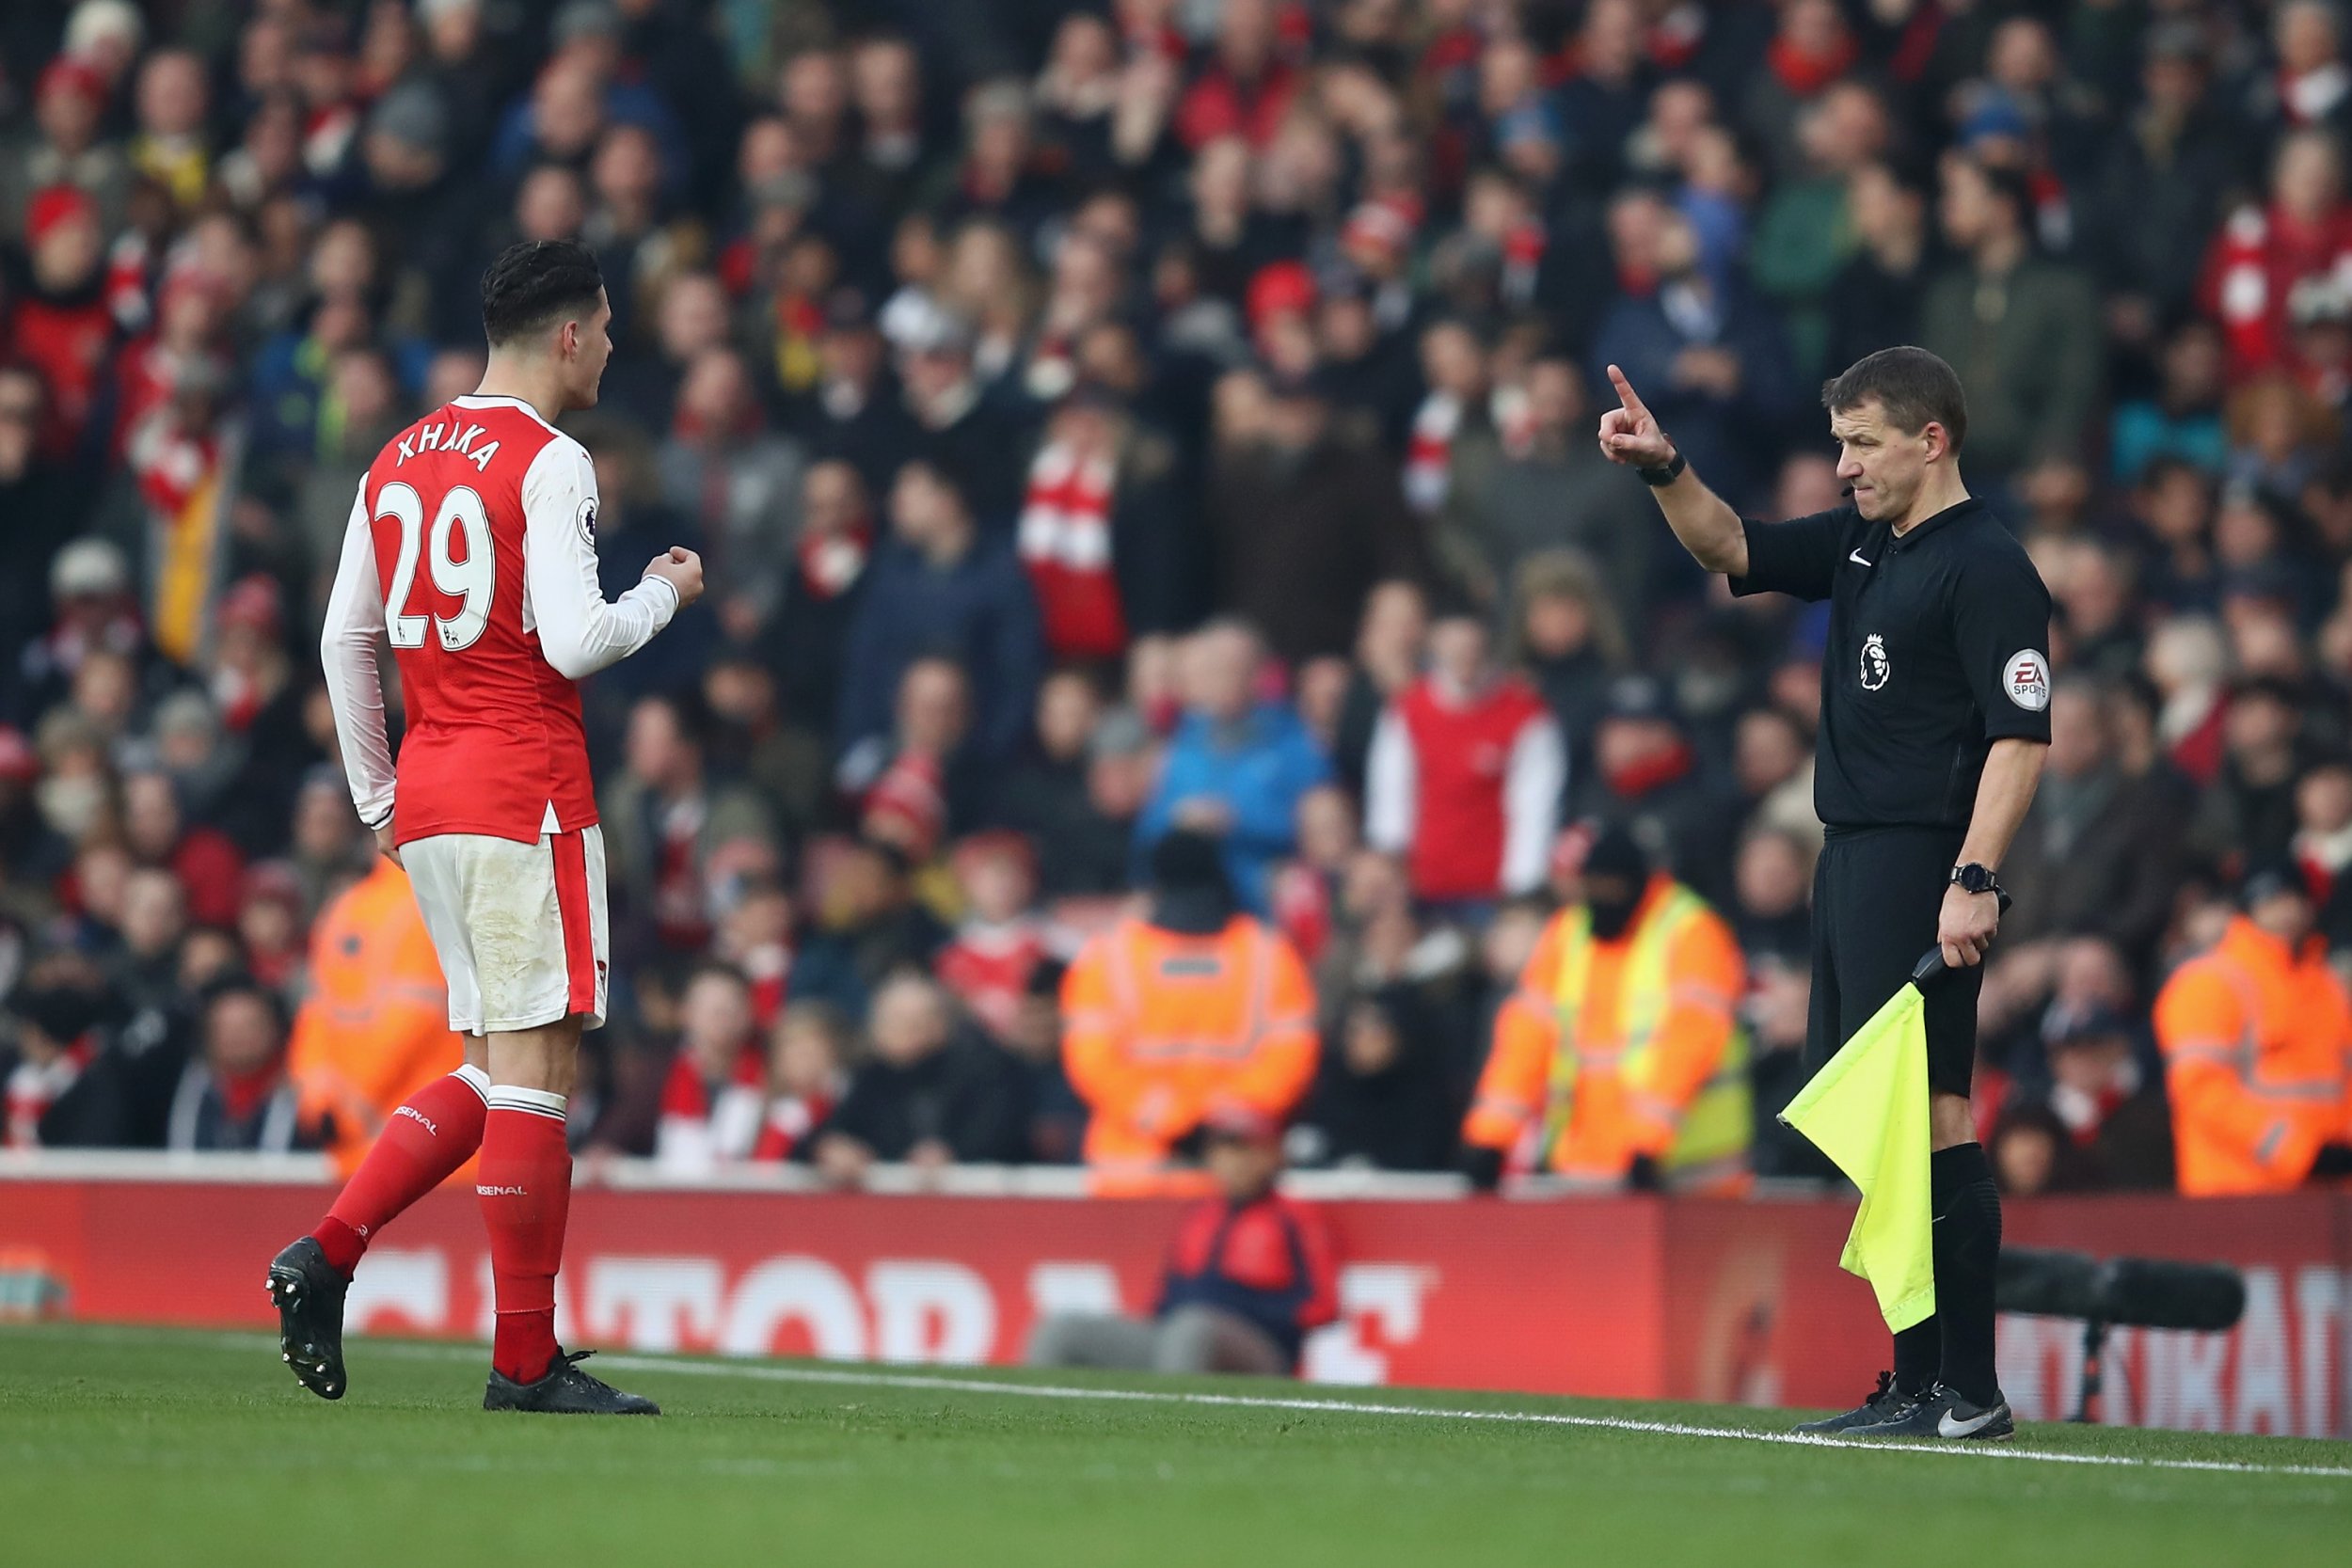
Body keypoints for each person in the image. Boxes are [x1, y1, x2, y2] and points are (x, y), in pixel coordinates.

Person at [278, 239, 704, 1416]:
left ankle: (328, 1250)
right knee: (536, 1078)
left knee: (485, 1065)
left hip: (429, 795)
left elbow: (341, 640)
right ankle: (523, 1361)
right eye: (607, 327)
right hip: (526, 790)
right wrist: (665, 589)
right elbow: (575, 642)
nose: (614, 346)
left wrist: (376, 795)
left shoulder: (397, 454)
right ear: (568, 334)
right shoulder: (553, 460)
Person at [1599, 344, 2052, 1441]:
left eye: (1862, 442)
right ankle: (1913, 1381)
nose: (1843, 465)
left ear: (1929, 440)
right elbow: (1731, 543)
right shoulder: (1860, 543)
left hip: (1921, 858)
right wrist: (1666, 468)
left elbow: (2020, 734)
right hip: (1848, 855)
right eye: (1840, 442)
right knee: (1883, 1127)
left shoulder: (1986, 564)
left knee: (1937, 1115)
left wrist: (1972, 878)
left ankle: (1969, 1386)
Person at [1461, 825, 1750, 1195]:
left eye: (1613, 889)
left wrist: (1648, 1143)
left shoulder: (1691, 933)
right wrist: (1490, 1136)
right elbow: (1525, 1040)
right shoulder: (1569, 934)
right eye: (1594, 889)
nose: (1604, 900)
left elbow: (1690, 1041)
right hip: (1588, 1174)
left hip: (1692, 1183)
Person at [1060, 830, 1319, 1180]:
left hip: (1132, 1176)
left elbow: (1093, 1063)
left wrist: (1169, 1119)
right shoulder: (1269, 956)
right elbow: (1289, 1060)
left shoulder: (1108, 958)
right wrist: (1221, 1124)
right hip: (1234, 1173)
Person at [1025, 1101, 1338, 1376]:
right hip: (1177, 1337)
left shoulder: (1294, 1216)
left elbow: (1322, 1305)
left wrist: (1243, 1307)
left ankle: (1170, 1436)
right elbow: (1166, 1293)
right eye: (1223, 1150)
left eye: (1244, 1150)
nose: (1233, 1162)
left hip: (1261, 1347)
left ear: (1271, 1155)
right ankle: (1030, 1433)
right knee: (1061, 1331)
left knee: (1192, 1330)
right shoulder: (1201, 1214)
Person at [2152, 862, 2352, 1196]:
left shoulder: (2328, 986)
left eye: (2294, 899)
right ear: (2248, 908)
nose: (2286, 911)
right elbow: (2200, 1091)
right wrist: (2300, 1151)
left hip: (2329, 1197)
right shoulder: (2209, 982)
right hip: (2237, 1194)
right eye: (2271, 900)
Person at [1364, 605, 1565, 909]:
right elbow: (1391, 799)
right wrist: (1394, 873)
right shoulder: (1407, 711)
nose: (1464, 660)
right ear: (1434, 647)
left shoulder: (1525, 715)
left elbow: (1534, 807)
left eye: (1473, 650)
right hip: (1423, 890)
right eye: (1454, 650)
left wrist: (1522, 892)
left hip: (1494, 892)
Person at [284, 856, 466, 1179]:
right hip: (430, 1147)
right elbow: (412, 1022)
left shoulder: (343, 909)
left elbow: (314, 1020)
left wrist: (322, 1104)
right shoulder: (439, 907)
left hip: (351, 1153)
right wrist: (358, 1107)